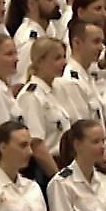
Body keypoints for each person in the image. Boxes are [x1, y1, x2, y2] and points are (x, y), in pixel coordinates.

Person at [16, 37, 72, 180]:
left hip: (65, 163)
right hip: (45, 168)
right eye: (57, 58)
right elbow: (36, 145)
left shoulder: (57, 88)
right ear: (40, 61)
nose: (64, 62)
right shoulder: (32, 96)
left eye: (64, 57)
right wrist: (58, 179)